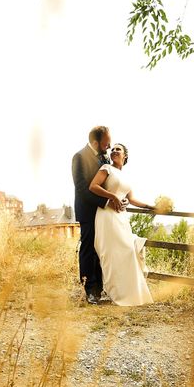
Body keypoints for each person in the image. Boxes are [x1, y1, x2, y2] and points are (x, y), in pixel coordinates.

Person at [89, 143, 154, 306]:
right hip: (106, 215)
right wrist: (113, 197)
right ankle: (115, 293)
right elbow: (93, 186)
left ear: (125, 155)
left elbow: (131, 199)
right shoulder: (106, 168)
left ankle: (131, 293)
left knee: (127, 250)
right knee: (112, 253)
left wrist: (150, 206)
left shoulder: (127, 177)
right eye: (113, 149)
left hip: (121, 217)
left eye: (118, 149)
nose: (114, 151)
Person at [72, 126, 121, 305]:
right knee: (88, 249)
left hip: (104, 213)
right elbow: (82, 189)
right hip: (87, 211)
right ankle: (90, 290)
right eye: (106, 142)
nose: (109, 146)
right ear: (95, 142)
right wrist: (106, 202)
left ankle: (100, 287)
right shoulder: (79, 157)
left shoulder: (104, 157)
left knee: (101, 249)